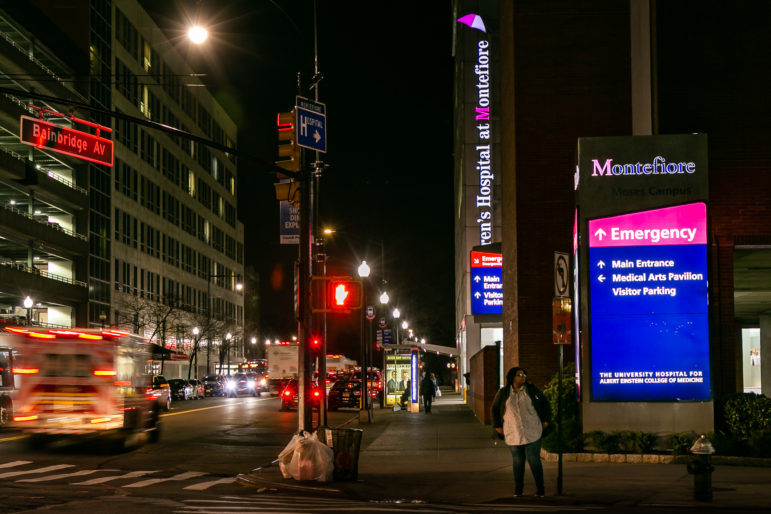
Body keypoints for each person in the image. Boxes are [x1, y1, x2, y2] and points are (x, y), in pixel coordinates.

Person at [491, 367, 552, 498]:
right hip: (513, 432)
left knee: (534, 460)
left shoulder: (531, 390)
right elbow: (495, 409)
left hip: (532, 430)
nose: (523, 377)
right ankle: (518, 490)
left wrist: (546, 420)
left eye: (524, 374)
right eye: (519, 375)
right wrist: (497, 426)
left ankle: (540, 490)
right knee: (518, 462)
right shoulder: (504, 392)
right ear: (512, 377)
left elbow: (545, 403)